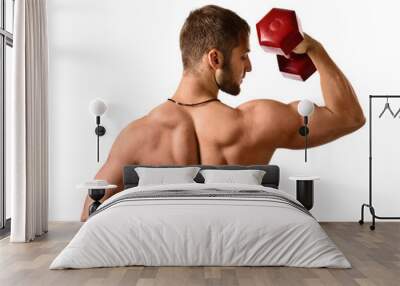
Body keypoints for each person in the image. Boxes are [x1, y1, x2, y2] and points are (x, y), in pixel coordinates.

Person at [80, 5, 365, 222]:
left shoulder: (137, 135)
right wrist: (314, 48)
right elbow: (349, 116)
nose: (249, 66)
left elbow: (89, 215)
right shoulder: (256, 122)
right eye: (243, 55)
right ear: (215, 58)